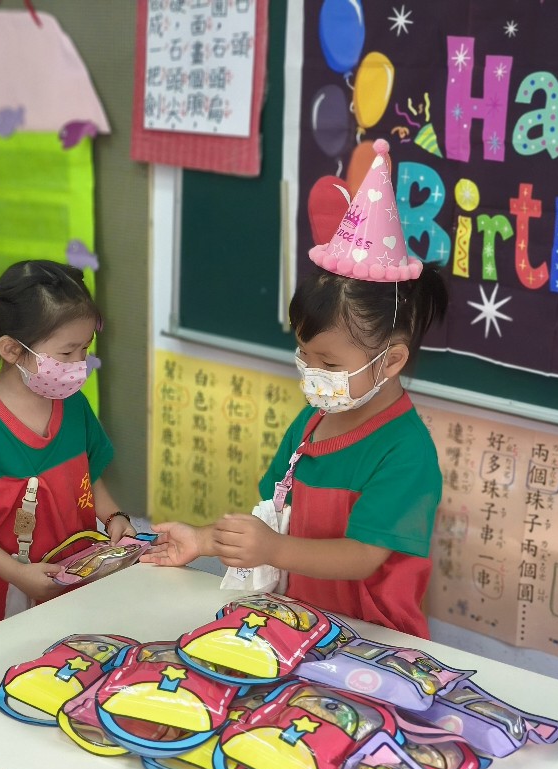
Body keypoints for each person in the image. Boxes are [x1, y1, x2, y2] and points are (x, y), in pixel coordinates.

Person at [143, 139, 448, 638]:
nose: (309, 370)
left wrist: (274, 550)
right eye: (304, 353)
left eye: (328, 362)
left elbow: (363, 556)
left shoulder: (406, 452)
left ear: (391, 361)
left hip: (371, 642)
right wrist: (202, 541)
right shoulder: (311, 423)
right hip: (301, 628)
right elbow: (271, 518)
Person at [0, 259, 135, 641]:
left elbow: (89, 473)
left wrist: (114, 516)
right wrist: (17, 575)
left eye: (85, 349)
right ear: (12, 349)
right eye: (66, 353)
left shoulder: (73, 404)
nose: (79, 364)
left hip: (67, 585)